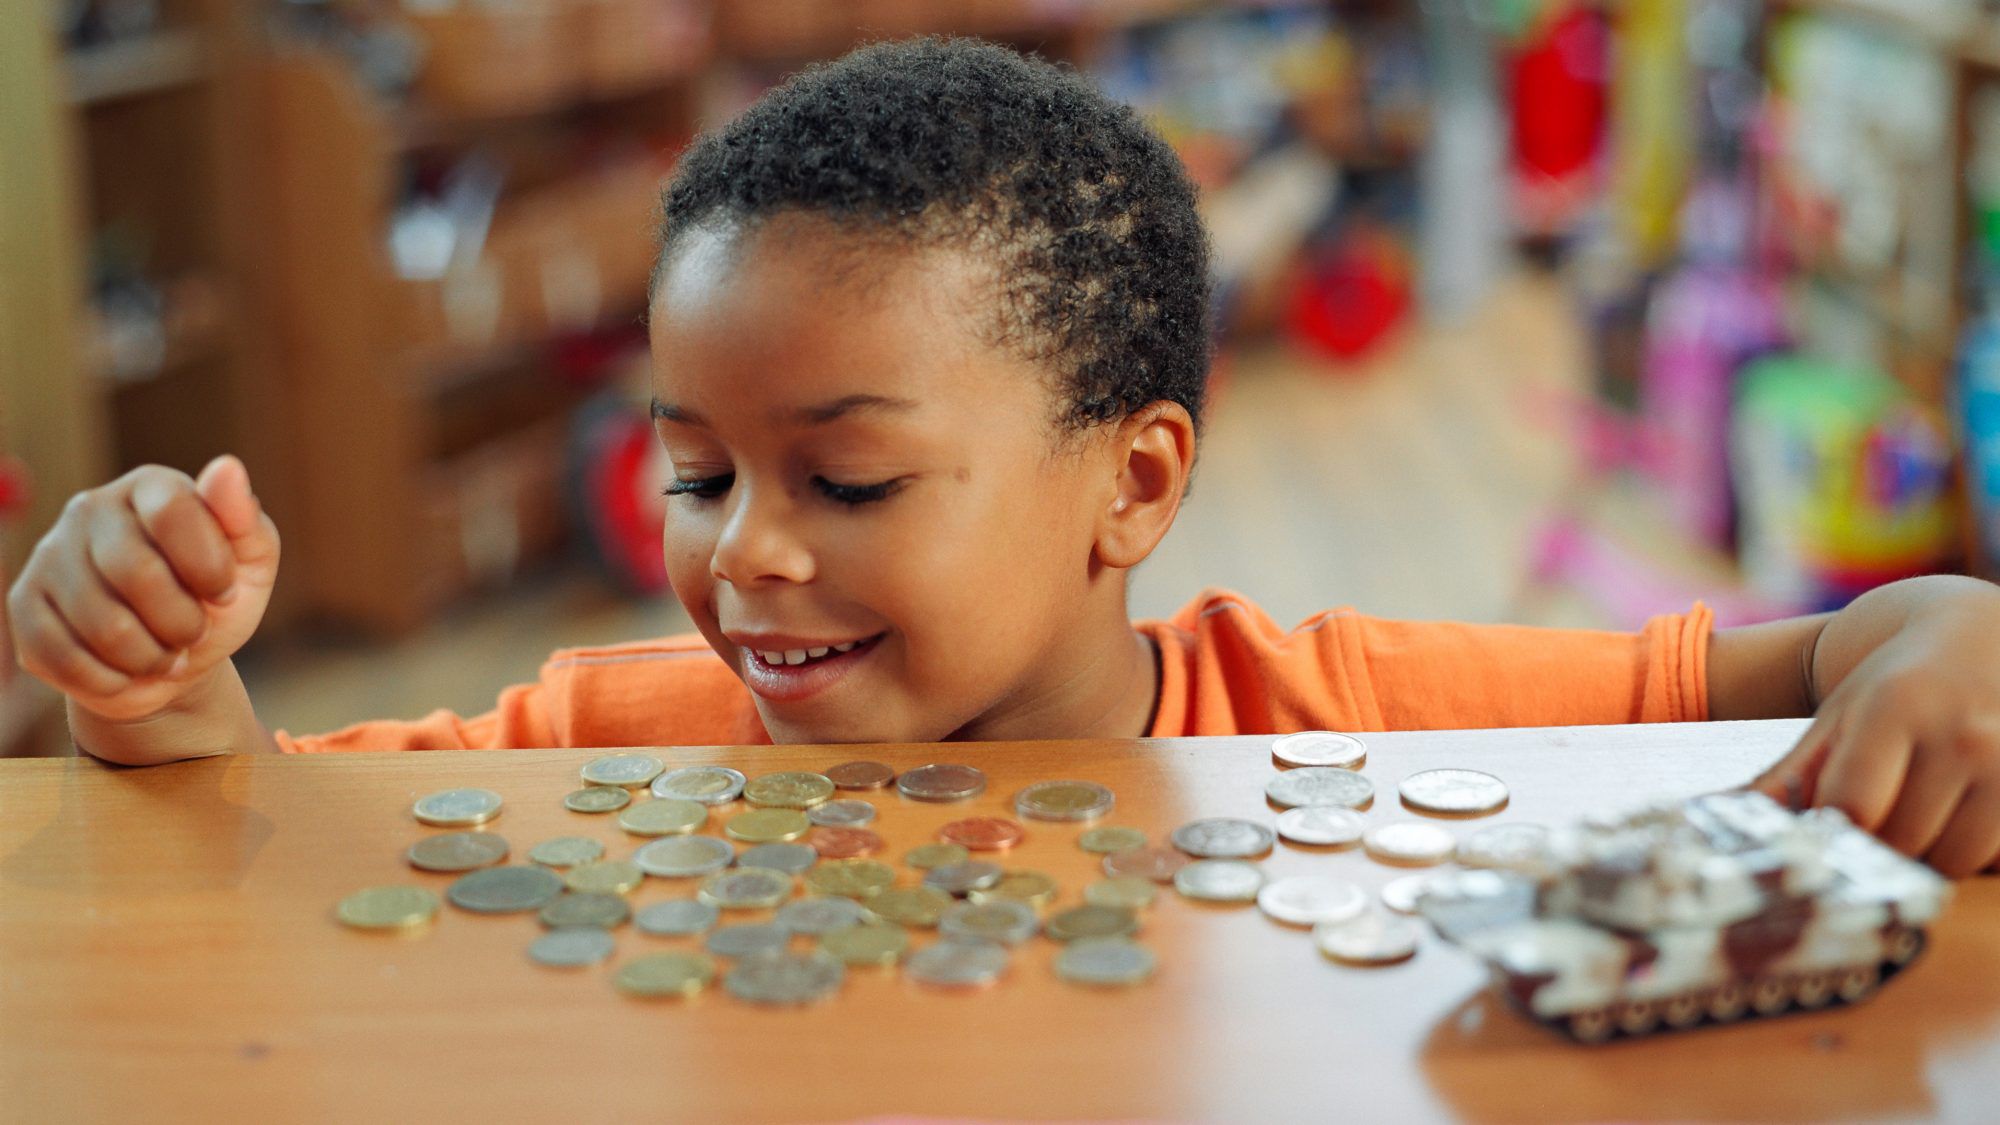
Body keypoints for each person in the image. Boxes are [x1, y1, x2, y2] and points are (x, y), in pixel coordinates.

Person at [9, 39, 2000, 876]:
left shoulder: (1343, 717)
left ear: (1131, 484)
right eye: (698, 474)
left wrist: (1941, 638)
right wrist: (161, 681)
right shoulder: (607, 724)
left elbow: (1839, 651)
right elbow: (234, 839)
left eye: (848, 481)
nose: (744, 559)